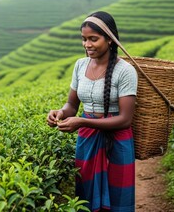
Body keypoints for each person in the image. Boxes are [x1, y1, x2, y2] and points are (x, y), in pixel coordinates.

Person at [47, 11, 138, 211]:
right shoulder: (80, 65)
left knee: (118, 197)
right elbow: (71, 106)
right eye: (84, 39)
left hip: (117, 141)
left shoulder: (125, 71)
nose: (87, 45)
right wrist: (60, 113)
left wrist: (83, 122)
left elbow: (124, 120)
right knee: (86, 193)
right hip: (87, 140)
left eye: (93, 39)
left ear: (110, 40)